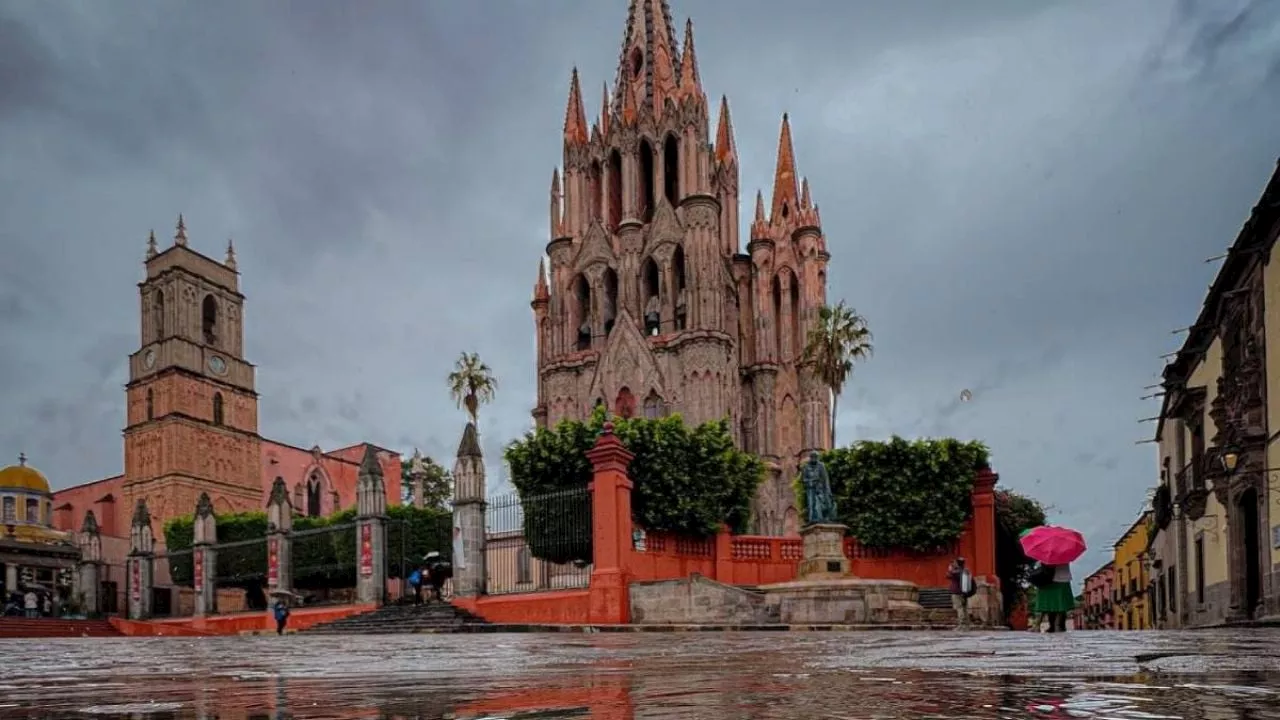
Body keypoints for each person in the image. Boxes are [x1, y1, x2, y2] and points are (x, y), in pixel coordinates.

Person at [1033, 562, 1074, 633]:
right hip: (1061, 578)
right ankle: (1057, 626)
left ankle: (1037, 625)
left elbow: (1038, 565)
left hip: (1046, 579)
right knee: (1060, 604)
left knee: (1045, 604)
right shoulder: (1065, 553)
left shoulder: (1045, 553)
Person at [946, 557, 973, 629]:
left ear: (957, 563)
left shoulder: (956, 572)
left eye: (955, 562)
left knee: (959, 608)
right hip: (964, 592)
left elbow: (948, 575)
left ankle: (962, 625)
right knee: (964, 608)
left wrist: (950, 569)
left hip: (956, 592)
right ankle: (967, 625)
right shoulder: (965, 571)